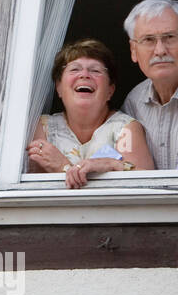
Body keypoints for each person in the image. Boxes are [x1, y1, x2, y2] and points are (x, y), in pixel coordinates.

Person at [27, 38, 154, 188]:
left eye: (95, 70)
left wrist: (66, 167)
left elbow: (146, 187)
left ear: (110, 91)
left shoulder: (126, 129)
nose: (85, 75)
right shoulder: (43, 128)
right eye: (74, 69)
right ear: (59, 87)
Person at [120, 0, 178, 170]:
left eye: (170, 37)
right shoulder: (133, 102)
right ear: (133, 51)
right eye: (148, 40)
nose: (160, 51)